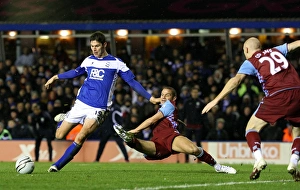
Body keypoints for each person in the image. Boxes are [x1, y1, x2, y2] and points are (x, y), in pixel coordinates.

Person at [44, 31, 160, 172]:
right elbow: (75, 72)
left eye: (97, 46)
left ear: (105, 45)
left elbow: (132, 82)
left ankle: (57, 166)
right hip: (81, 103)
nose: (94, 49)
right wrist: (56, 77)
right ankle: (66, 117)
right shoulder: (88, 60)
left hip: (98, 108)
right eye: (92, 46)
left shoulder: (116, 63)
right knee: (59, 135)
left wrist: (151, 98)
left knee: (81, 137)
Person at [202, 37, 300, 181]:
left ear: (246, 50)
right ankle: (293, 163)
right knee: (297, 129)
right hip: (297, 92)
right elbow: (295, 44)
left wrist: (216, 100)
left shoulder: (251, 61)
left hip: (277, 95)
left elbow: (236, 80)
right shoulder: (275, 50)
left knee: (251, 128)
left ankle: (259, 159)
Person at [113, 86, 236, 174]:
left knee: (193, 149)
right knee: (138, 145)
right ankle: (128, 138)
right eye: (162, 94)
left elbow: (150, 121)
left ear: (174, 98)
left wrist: (134, 130)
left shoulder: (169, 105)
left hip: (170, 137)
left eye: (167, 95)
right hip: (157, 141)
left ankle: (217, 166)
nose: (163, 96)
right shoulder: (166, 108)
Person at [94, 94, 129, 162]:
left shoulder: (116, 108)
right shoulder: (104, 108)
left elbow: (120, 119)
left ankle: (126, 159)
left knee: (120, 144)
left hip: (114, 129)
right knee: (102, 144)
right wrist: (101, 128)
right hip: (106, 129)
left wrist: (119, 128)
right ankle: (97, 159)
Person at [181, 87, 208, 162]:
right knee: (187, 143)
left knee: (198, 143)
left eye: (196, 92)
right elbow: (184, 113)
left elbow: (204, 115)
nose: (195, 94)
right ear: (191, 93)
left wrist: (204, 124)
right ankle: (186, 159)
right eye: (193, 92)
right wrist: (181, 123)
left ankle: (200, 159)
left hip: (198, 126)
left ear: (198, 93)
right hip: (189, 126)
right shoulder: (187, 102)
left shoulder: (201, 103)